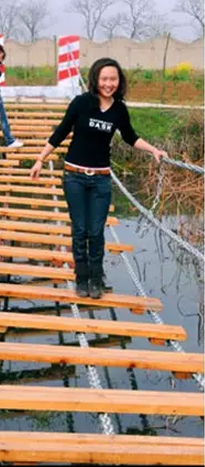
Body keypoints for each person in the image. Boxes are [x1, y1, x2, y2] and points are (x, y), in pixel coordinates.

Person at [30, 58, 168, 299]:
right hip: (74, 176)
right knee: (80, 229)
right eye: (104, 79)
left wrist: (154, 149)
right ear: (95, 79)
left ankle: (96, 279)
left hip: (101, 180)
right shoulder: (81, 103)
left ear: (119, 81)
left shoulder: (119, 110)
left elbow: (130, 137)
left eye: (113, 79)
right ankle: (81, 279)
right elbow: (61, 131)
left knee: (96, 231)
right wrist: (40, 159)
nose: (108, 84)